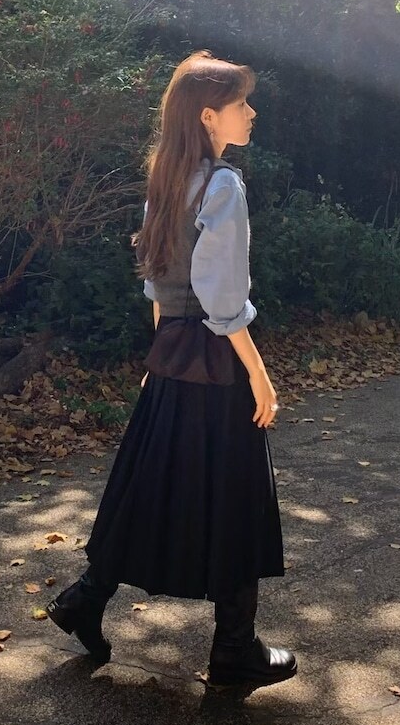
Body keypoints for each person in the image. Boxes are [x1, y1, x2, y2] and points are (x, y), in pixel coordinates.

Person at [47, 51, 296, 688]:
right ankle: (234, 650)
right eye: (241, 104)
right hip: (215, 361)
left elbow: (159, 283)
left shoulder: (168, 177)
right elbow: (222, 298)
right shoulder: (223, 186)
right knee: (236, 493)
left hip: (173, 359)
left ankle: (83, 600)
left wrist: (159, 359)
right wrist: (259, 374)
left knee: (152, 484)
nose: (252, 113)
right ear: (209, 115)